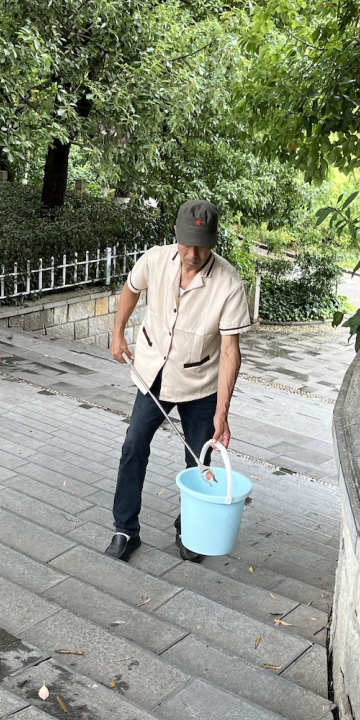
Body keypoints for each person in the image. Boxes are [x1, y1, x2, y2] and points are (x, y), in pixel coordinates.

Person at [105, 199, 252, 563]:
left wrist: (222, 413)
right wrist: (118, 331)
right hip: (153, 373)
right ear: (175, 233)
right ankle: (125, 529)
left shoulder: (229, 284)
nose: (193, 253)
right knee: (133, 445)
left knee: (199, 463)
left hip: (201, 384)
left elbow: (230, 352)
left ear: (213, 241)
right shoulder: (155, 259)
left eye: (202, 245)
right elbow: (131, 287)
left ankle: (190, 529)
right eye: (187, 243)